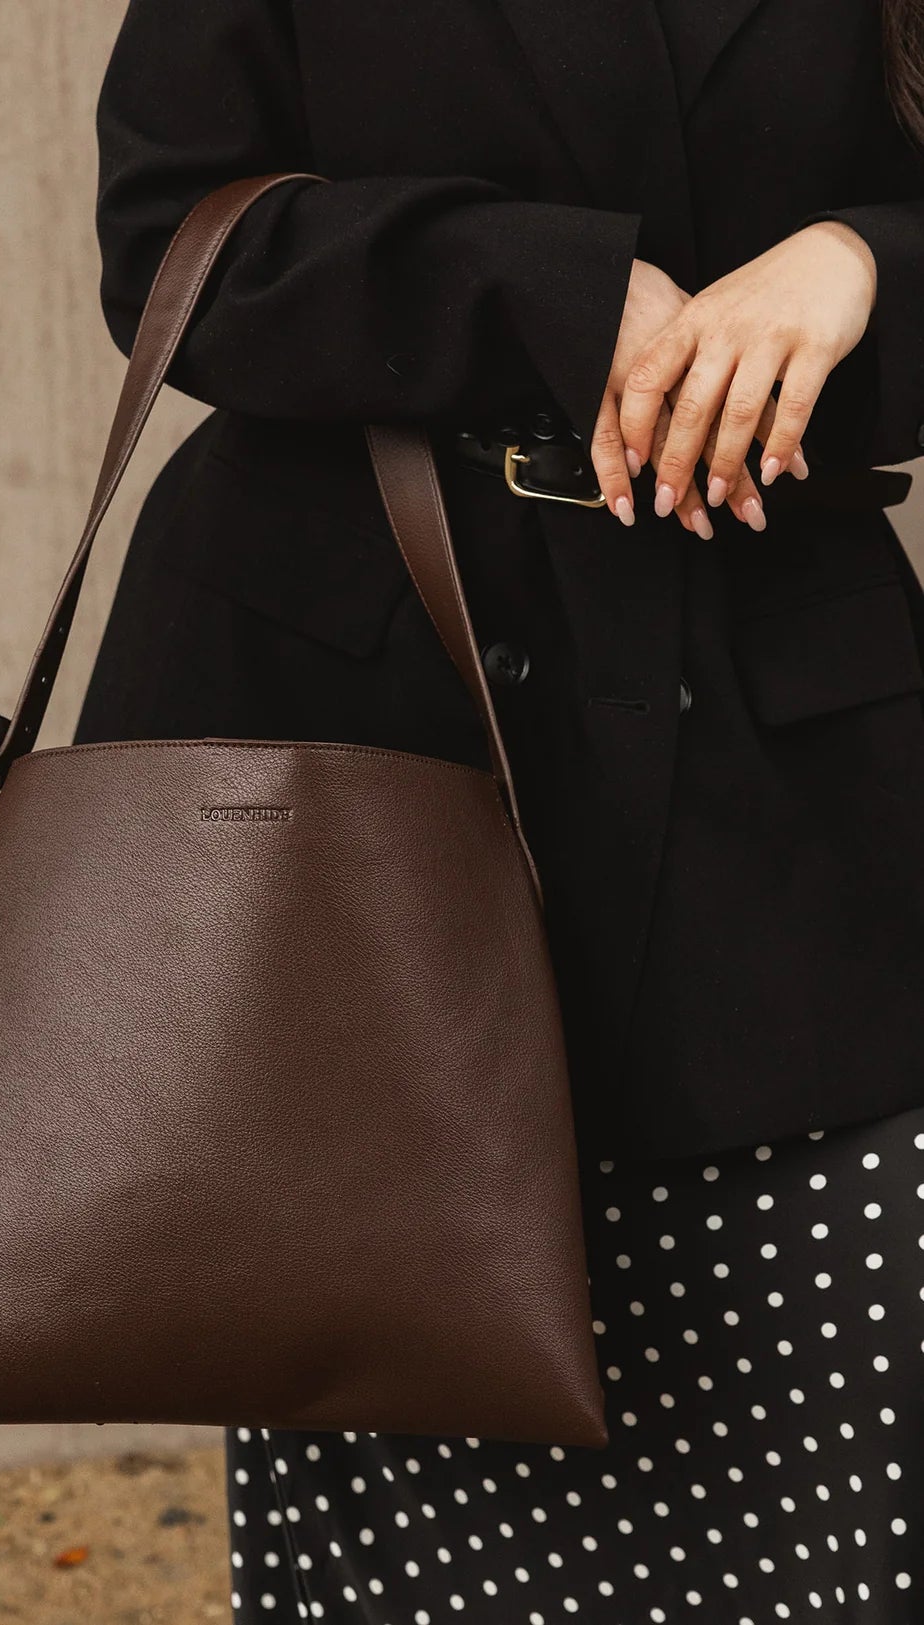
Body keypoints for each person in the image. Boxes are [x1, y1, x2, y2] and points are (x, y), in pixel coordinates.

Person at [75, 0, 924, 1617]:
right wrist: (546, 289)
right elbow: (174, 247)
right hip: (369, 760)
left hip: (781, 770)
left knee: (836, 1472)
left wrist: (862, 264)